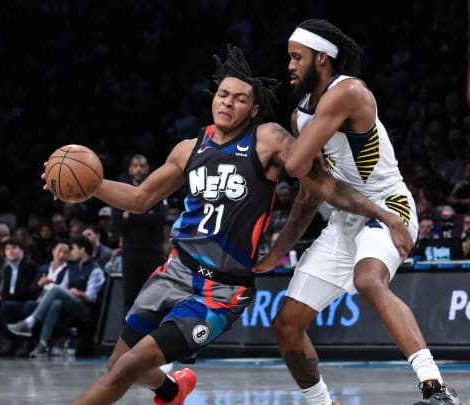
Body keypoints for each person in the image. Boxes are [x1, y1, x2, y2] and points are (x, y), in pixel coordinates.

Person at [67, 44, 412, 405]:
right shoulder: (188, 148)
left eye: (239, 99)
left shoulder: (268, 140)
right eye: (223, 95)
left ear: (255, 109)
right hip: (174, 271)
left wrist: (384, 214)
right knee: (118, 364)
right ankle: (171, 390)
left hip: (218, 291)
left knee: (130, 364)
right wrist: (91, 186)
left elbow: (323, 186)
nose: (228, 103)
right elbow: (139, 199)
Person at [254, 19, 461, 405]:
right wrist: (278, 251)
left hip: (390, 206)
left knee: (368, 280)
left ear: (322, 58)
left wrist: (270, 141)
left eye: (297, 58)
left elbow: (297, 164)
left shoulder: (348, 91)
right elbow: (308, 194)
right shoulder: (300, 115)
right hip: (344, 219)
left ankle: (436, 388)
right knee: (286, 326)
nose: (290, 66)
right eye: (289, 58)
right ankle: (322, 403)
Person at [112, 154, 168, 313]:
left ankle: (152, 337)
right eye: (135, 166)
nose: (138, 169)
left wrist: (131, 214)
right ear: (130, 169)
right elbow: (117, 222)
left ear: (148, 169)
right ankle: (127, 338)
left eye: (142, 166)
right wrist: (145, 214)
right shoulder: (122, 192)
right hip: (130, 254)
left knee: (153, 300)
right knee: (130, 301)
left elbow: (161, 218)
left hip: (153, 253)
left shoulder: (157, 190)